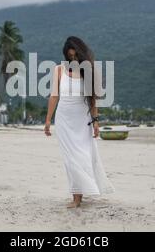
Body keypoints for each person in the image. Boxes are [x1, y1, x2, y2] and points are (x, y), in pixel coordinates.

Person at [44, 36, 115, 208]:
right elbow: (54, 96)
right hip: (63, 119)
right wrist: (48, 121)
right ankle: (77, 197)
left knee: (83, 156)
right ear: (66, 55)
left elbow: (92, 100)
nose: (73, 59)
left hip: (82, 120)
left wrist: (96, 121)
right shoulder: (59, 70)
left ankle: (80, 193)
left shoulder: (88, 71)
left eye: (76, 56)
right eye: (70, 56)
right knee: (70, 159)